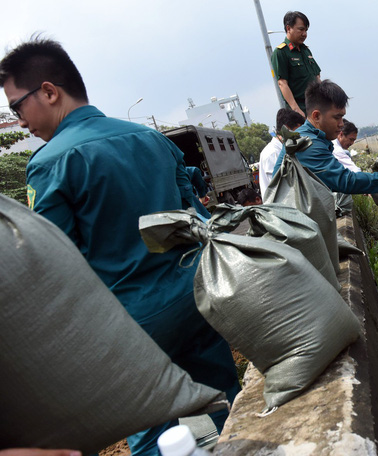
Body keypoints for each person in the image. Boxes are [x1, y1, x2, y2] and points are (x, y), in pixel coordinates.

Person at [0, 38, 240, 455]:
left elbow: (54, 265)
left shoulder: (50, 162)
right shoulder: (149, 138)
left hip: (132, 324)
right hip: (196, 296)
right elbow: (196, 214)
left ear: (49, 92)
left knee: (149, 432)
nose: (19, 122)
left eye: (16, 108)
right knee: (226, 402)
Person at [273, 79, 378, 194]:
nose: (341, 124)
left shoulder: (311, 137)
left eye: (342, 117)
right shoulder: (308, 143)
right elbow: (346, 181)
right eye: (337, 117)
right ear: (316, 116)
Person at [271, 11, 320, 116]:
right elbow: (282, 83)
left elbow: (317, 77)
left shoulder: (306, 50)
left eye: (306, 30)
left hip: (316, 105)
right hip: (301, 108)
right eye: (301, 29)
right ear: (288, 28)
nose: (304, 34)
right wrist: (296, 110)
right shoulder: (281, 52)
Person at [258, 108, 305, 196]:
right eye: (299, 131)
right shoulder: (272, 153)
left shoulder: (282, 149)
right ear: (286, 128)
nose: (301, 135)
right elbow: (280, 188)